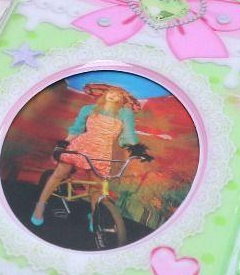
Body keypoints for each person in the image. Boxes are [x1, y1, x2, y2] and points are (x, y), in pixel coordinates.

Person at [30, 82, 151, 227]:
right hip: (81, 145)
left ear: (123, 98)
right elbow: (76, 130)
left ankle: (94, 216)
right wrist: (63, 144)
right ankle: (40, 205)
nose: (114, 95)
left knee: (96, 186)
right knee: (60, 173)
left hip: (102, 151)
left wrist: (137, 149)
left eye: (119, 93)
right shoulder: (88, 109)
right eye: (111, 91)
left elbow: (129, 136)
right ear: (104, 93)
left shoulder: (126, 113)